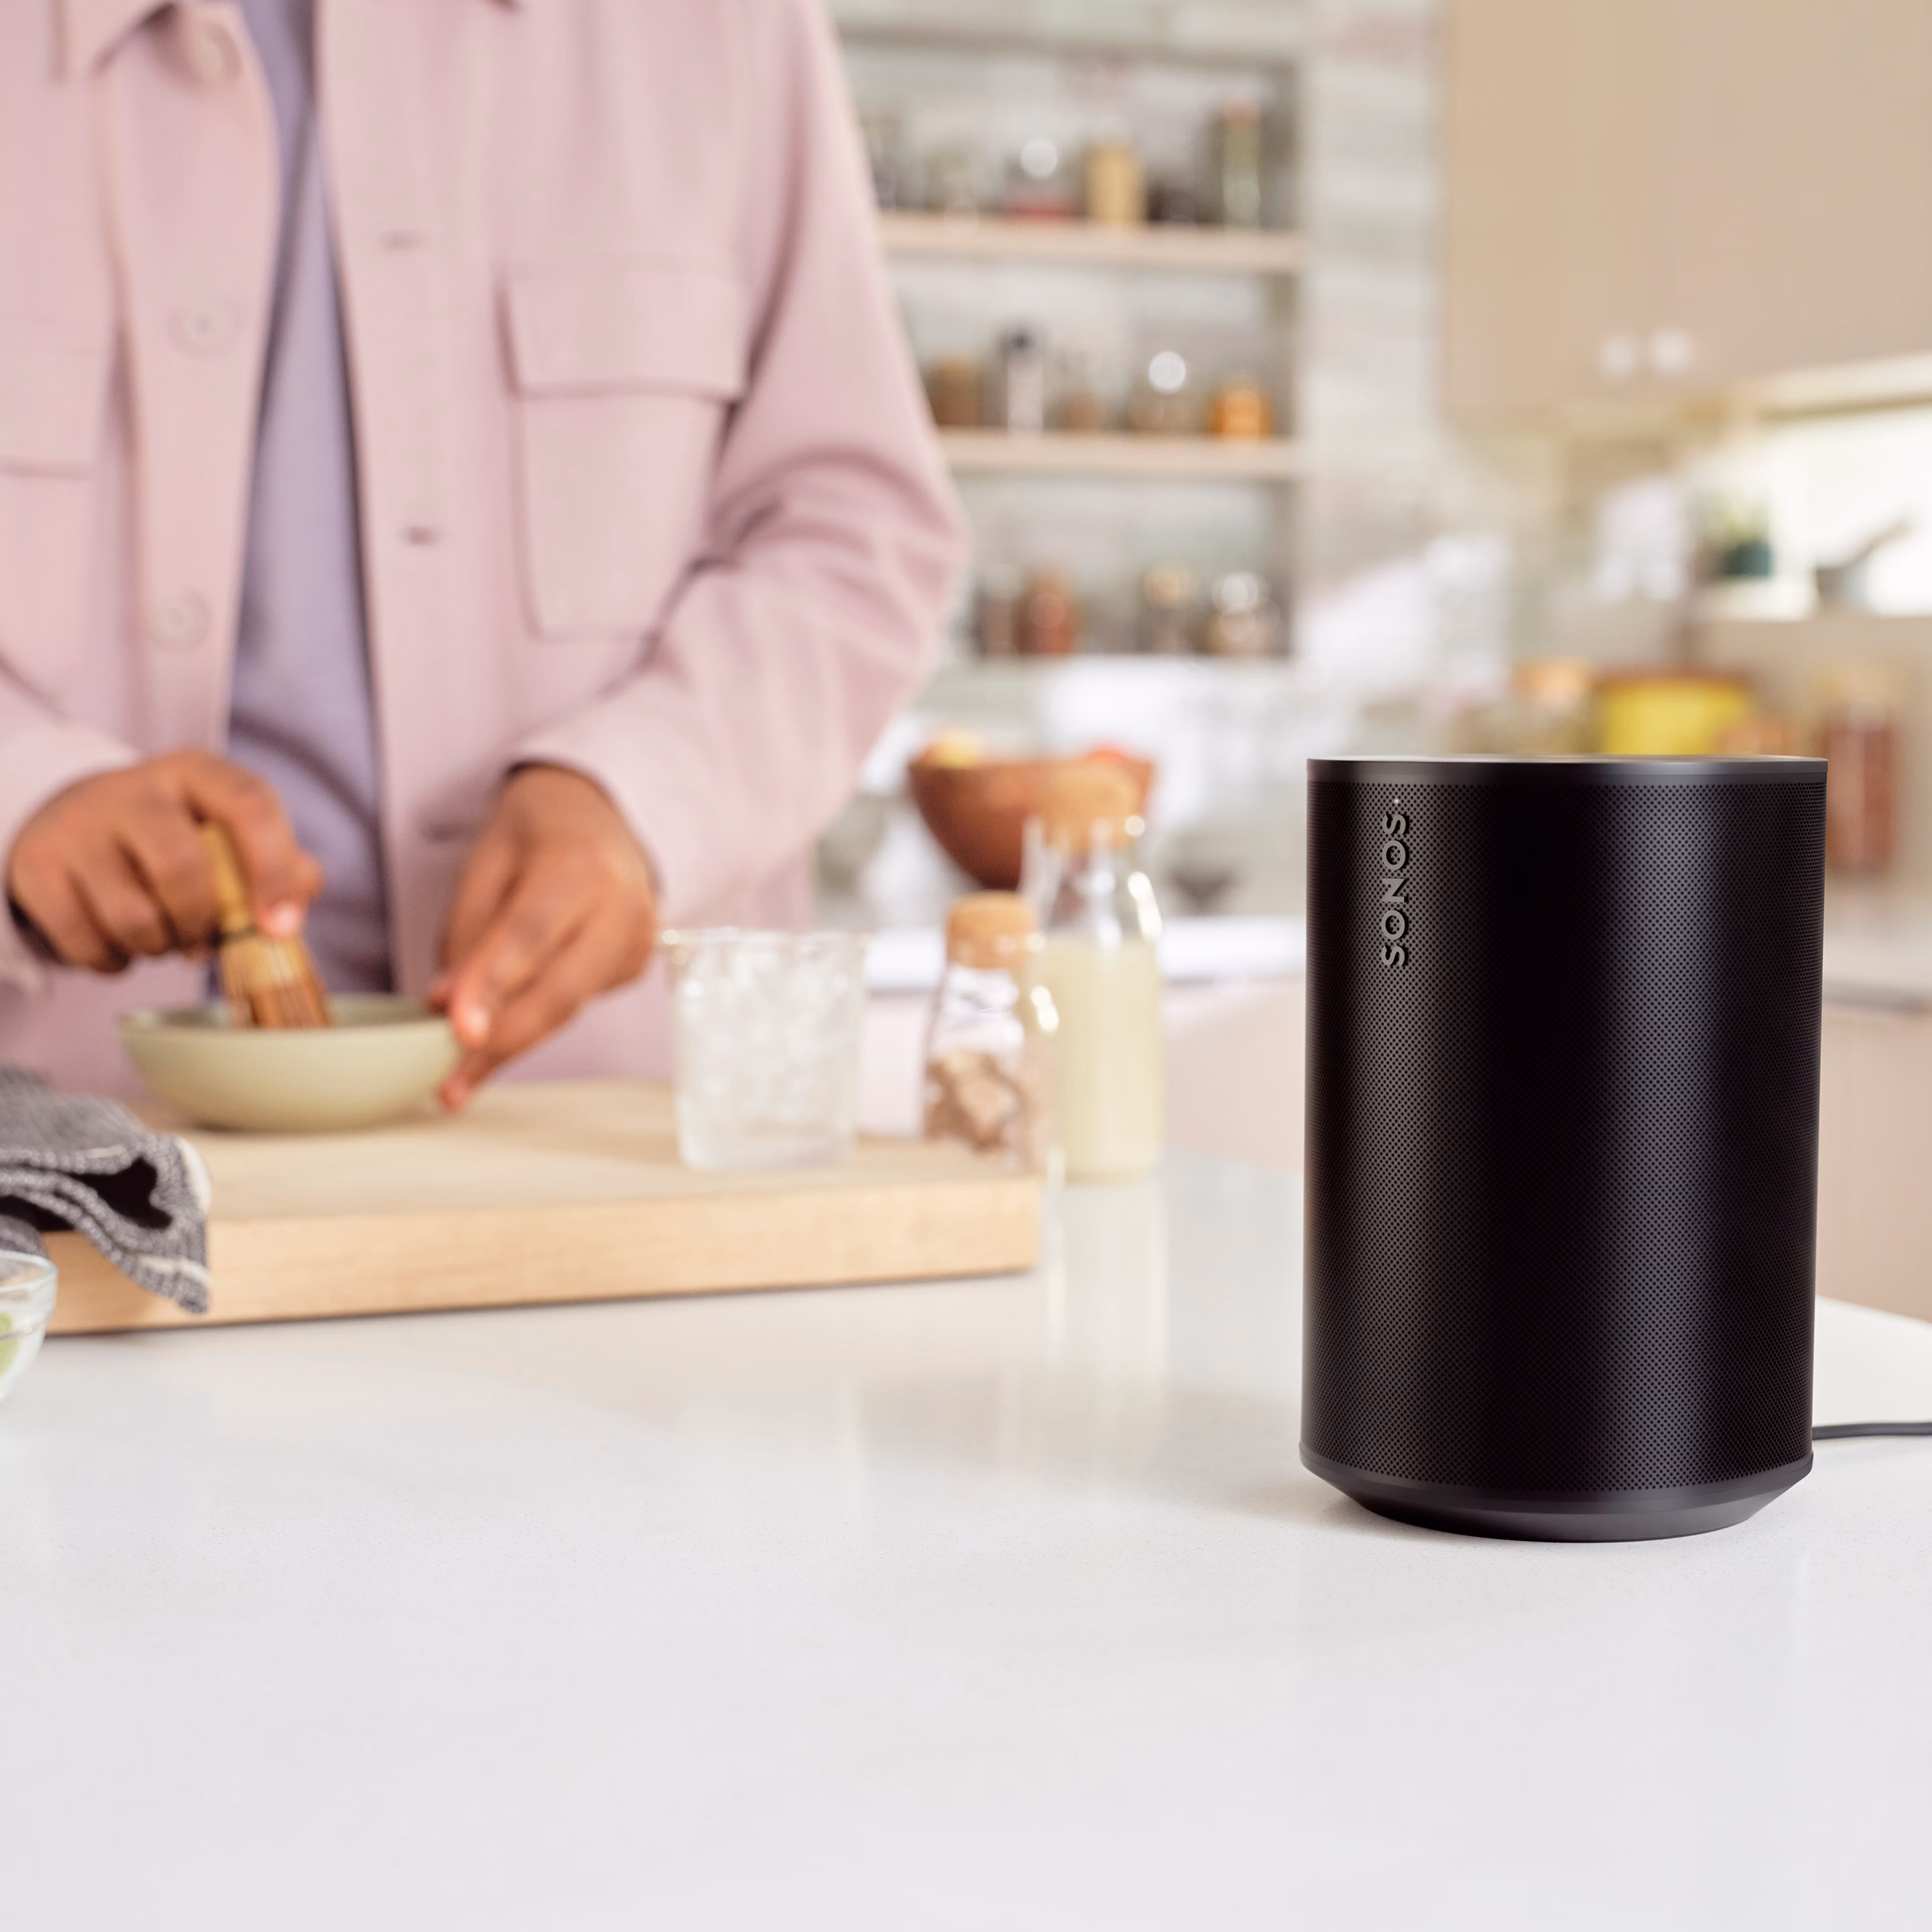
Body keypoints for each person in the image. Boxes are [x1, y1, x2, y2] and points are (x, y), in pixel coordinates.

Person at [0, 0, 963, 1103]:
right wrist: (22, 794)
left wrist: (639, 795)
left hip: (593, 1144)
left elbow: (855, 529)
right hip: (57, 1163)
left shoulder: (718, 27)